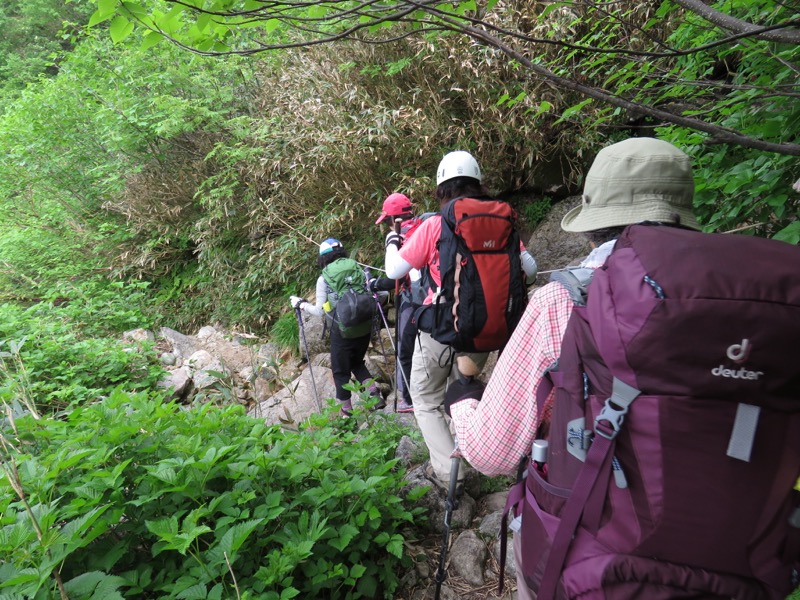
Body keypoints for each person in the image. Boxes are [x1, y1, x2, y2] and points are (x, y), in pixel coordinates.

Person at [442, 137, 701, 599]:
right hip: (717, 547)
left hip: (591, 551)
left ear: (591, 228)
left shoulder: (565, 301)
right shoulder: (741, 302)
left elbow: (491, 452)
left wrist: (463, 401)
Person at [384, 151, 538, 492]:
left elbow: (394, 271)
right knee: (462, 394)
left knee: (425, 399)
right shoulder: (503, 220)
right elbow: (530, 269)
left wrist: (393, 239)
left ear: (442, 189)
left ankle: (450, 472)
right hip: (484, 332)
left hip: (440, 329)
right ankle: (470, 451)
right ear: (478, 183)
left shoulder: (437, 224)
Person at [290, 238, 390, 417]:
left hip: (342, 331)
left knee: (340, 372)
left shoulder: (324, 278)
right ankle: (375, 399)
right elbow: (380, 293)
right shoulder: (358, 269)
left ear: (323, 258)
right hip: (364, 327)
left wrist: (301, 305)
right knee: (357, 363)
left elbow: (320, 311)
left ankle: (346, 415)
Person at [374, 192, 429, 413]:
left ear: (392, 219)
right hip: (437, 297)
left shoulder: (400, 237)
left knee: (404, 350)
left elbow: (393, 275)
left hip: (413, 299)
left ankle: (407, 398)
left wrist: (374, 284)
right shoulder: (427, 227)